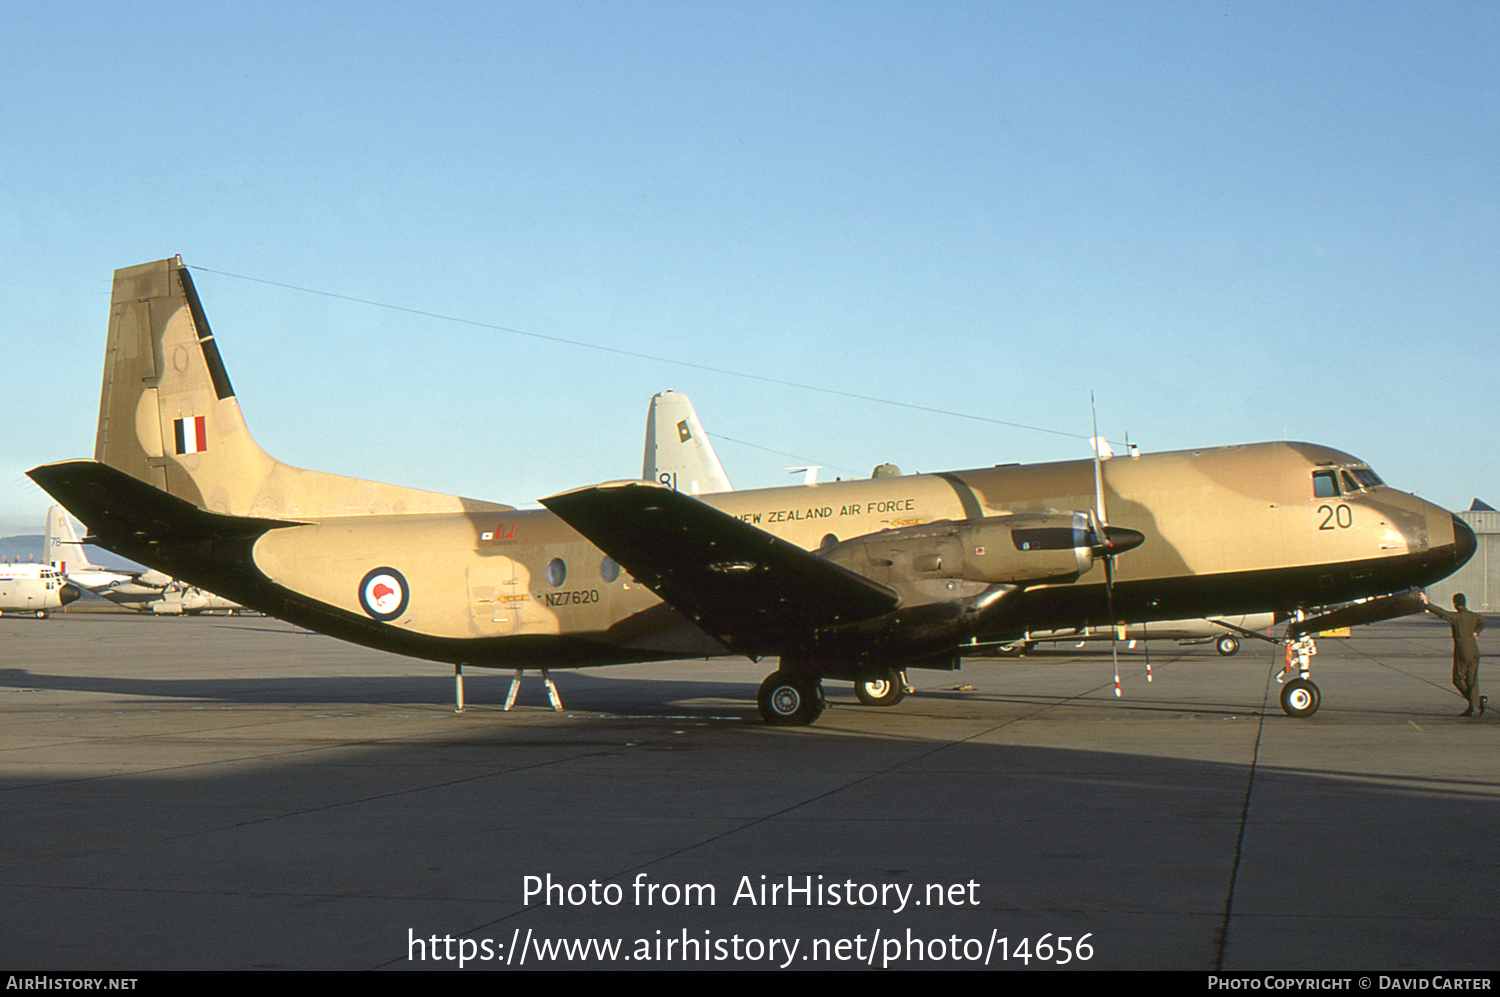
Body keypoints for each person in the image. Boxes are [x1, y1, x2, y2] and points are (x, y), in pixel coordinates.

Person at [1422, 592, 1487, 716]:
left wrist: (1426, 604)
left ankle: (1476, 702)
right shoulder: (1473, 616)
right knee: (1472, 680)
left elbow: (1442, 613)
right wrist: (1476, 631)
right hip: (1474, 649)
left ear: (1455, 604)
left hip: (1462, 650)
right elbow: (1483, 621)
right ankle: (1474, 706)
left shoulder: (1456, 617)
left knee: (1458, 678)